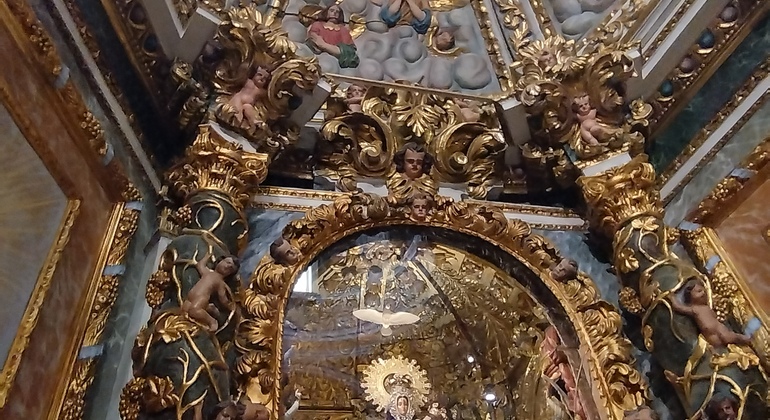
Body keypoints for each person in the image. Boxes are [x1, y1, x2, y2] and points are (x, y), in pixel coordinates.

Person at [669, 279, 752, 347]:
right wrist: (672, 297)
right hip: (711, 334)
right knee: (722, 341)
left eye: (704, 291)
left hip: (719, 328)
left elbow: (714, 317)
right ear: (691, 296)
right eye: (699, 291)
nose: (703, 293)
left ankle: (742, 338)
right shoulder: (695, 309)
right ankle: (742, 339)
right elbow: (679, 307)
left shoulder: (706, 307)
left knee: (728, 337)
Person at [183, 253, 239, 332]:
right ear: (220, 261)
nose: (227, 266)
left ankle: (212, 321)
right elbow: (200, 265)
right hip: (191, 296)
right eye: (228, 262)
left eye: (231, 268)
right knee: (184, 310)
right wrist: (207, 256)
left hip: (202, 298)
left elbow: (222, 297)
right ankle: (209, 308)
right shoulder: (207, 272)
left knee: (194, 311)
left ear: (230, 274)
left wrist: (229, 306)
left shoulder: (220, 282)